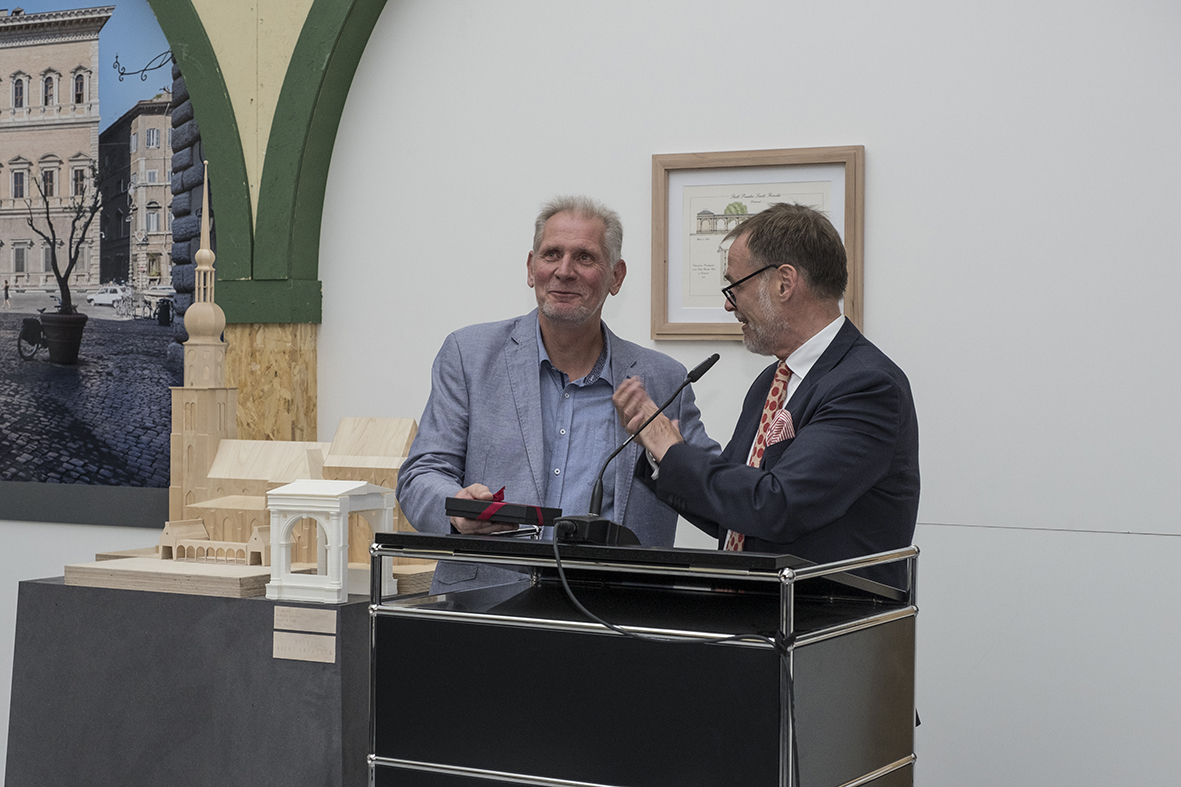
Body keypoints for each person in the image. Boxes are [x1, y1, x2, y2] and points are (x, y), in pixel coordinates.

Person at [397, 195, 718, 592]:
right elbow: (420, 474)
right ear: (531, 268)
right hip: (484, 605)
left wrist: (665, 453)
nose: (564, 271)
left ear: (616, 276)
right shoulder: (469, 356)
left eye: (585, 257)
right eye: (552, 254)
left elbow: (715, 496)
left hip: (613, 611)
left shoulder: (663, 380)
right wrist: (456, 508)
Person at [613, 202, 919, 587]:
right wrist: (660, 456)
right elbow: (733, 511)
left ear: (784, 283)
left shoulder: (868, 386)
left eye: (735, 286)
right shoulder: (771, 382)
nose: (728, 303)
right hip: (753, 611)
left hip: (823, 617)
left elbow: (778, 505)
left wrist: (672, 450)